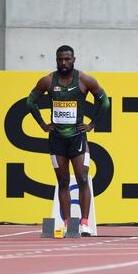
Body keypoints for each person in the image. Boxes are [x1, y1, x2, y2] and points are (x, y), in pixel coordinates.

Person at [26, 45, 109, 237]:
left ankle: (85, 222)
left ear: (74, 59)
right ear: (56, 60)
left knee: (82, 178)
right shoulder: (47, 81)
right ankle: (66, 223)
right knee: (62, 181)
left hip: (78, 138)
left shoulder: (84, 80)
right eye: (60, 60)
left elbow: (105, 102)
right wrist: (41, 124)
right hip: (56, 139)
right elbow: (30, 101)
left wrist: (92, 124)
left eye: (67, 59)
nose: (63, 63)